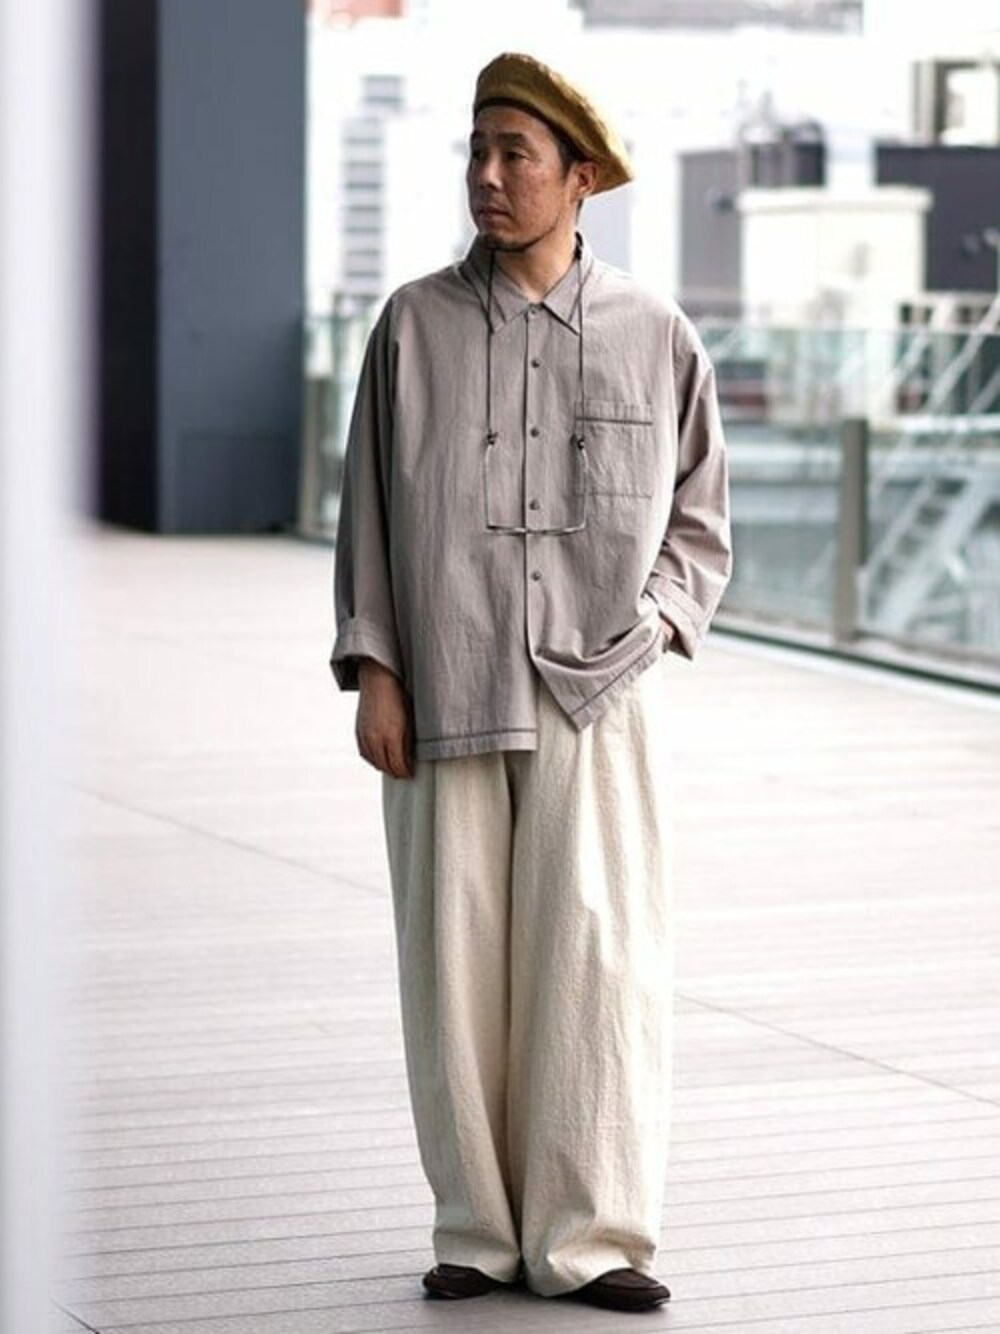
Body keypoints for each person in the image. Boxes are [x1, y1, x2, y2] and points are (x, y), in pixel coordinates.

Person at [329, 50, 732, 1314]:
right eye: (478, 151)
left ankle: (590, 1236)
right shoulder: (411, 326)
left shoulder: (655, 333)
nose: (489, 176)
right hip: (442, 682)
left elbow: (700, 523)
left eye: (516, 154)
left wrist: (653, 625)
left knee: (596, 964)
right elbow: (366, 515)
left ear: (581, 178)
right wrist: (376, 670)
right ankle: (477, 1228)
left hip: (595, 699)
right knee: (452, 966)